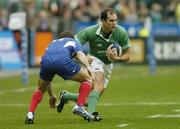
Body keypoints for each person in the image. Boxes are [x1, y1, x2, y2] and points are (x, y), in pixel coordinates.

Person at [56, 8, 131, 120]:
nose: (114, 23)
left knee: (90, 99)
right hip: (94, 59)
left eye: (115, 20)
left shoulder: (121, 32)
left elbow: (128, 55)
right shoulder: (90, 31)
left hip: (109, 64)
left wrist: (117, 58)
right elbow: (72, 44)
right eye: (111, 21)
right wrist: (82, 57)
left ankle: (65, 96)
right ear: (103, 21)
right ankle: (91, 115)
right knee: (98, 82)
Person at [25, 31, 95, 124]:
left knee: (40, 89)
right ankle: (79, 106)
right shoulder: (73, 41)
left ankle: (30, 114)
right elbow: (79, 54)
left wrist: (51, 95)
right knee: (87, 79)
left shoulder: (53, 43)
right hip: (62, 62)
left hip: (46, 62)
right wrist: (87, 65)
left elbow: (50, 72)